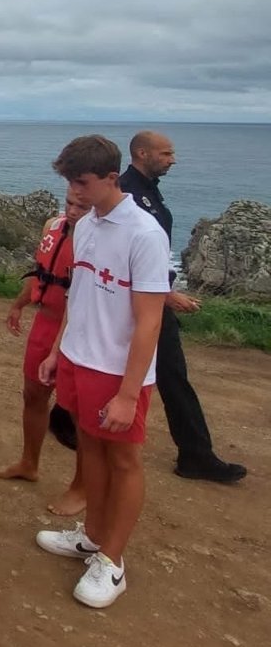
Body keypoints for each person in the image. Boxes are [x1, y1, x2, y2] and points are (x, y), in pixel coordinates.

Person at [35, 135, 169, 609]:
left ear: (112, 178)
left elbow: (150, 320)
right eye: (70, 182)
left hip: (117, 369)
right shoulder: (87, 224)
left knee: (124, 459)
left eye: (83, 182)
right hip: (78, 357)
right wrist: (58, 351)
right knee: (88, 445)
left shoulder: (145, 233)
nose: (75, 191)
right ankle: (92, 535)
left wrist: (129, 394)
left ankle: (112, 561)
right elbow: (80, 293)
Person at [119, 131, 246, 484]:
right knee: (171, 375)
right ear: (142, 153)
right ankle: (196, 456)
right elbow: (125, 254)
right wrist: (164, 294)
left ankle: (195, 454)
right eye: (166, 153)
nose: (172, 159)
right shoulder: (129, 194)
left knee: (162, 373)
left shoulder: (145, 190)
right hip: (142, 301)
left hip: (150, 296)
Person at [0, 186, 92, 517]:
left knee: (77, 412)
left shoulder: (98, 241)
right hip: (45, 322)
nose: (73, 211)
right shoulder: (52, 226)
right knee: (33, 394)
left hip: (77, 329)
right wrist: (19, 304)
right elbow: (40, 273)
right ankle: (29, 463)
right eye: (70, 203)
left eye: (82, 206)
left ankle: (82, 486)